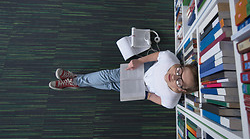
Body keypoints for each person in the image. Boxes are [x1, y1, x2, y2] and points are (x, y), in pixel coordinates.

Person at [49, 50, 199, 109]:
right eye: (179, 70)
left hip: (143, 89)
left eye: (179, 81)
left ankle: (75, 79)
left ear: (181, 89)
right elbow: (156, 56)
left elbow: (157, 99)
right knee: (108, 75)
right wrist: (140, 61)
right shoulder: (170, 58)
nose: (174, 76)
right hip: (144, 70)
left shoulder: (171, 100)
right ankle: (76, 81)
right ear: (180, 65)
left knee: (111, 86)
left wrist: (145, 95)